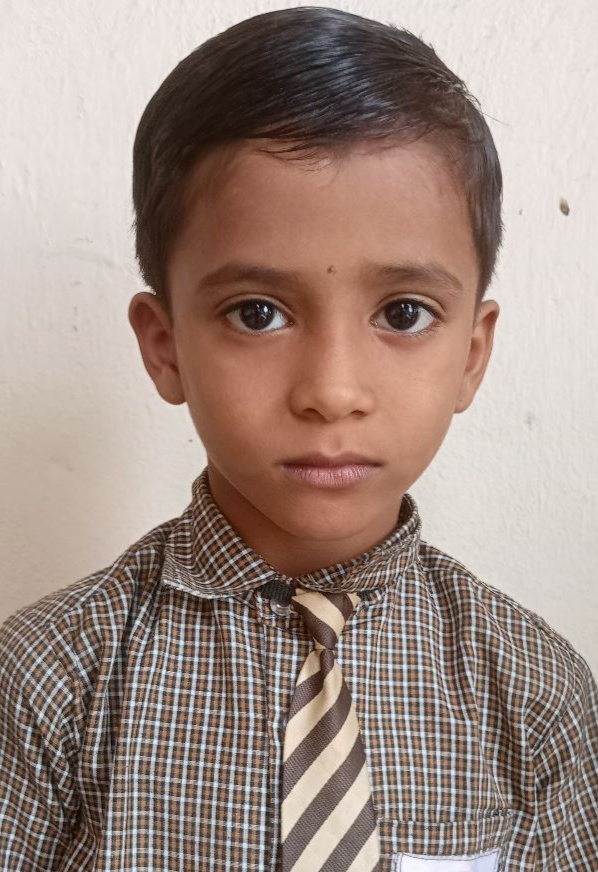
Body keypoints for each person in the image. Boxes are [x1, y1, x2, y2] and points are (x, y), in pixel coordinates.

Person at [1, 7, 597, 871]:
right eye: (257, 313)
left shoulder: (537, 693)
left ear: (472, 355)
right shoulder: (46, 682)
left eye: (404, 313)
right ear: (165, 347)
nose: (332, 391)